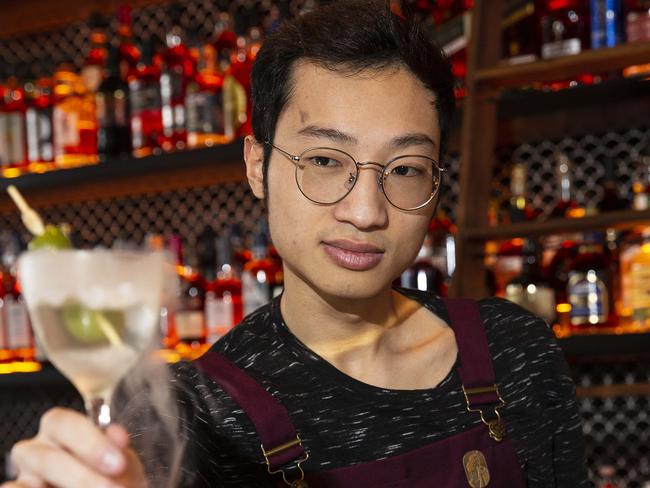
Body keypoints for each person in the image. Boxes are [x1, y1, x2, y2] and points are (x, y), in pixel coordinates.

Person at [4, 1, 589, 487]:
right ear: (257, 165)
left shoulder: (515, 348)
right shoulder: (190, 419)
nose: (366, 212)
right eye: (325, 161)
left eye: (406, 168)